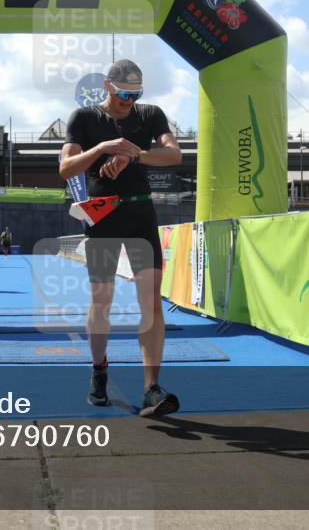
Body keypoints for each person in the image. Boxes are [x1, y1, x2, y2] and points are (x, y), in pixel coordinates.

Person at [60, 58, 183, 417]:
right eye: (124, 93)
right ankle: (99, 371)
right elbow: (66, 167)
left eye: (136, 93)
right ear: (108, 87)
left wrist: (135, 155)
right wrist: (103, 149)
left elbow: (174, 154)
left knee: (152, 303)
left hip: (141, 214)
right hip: (102, 217)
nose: (130, 99)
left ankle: (151, 388)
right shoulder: (83, 118)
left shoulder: (150, 114)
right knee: (102, 301)